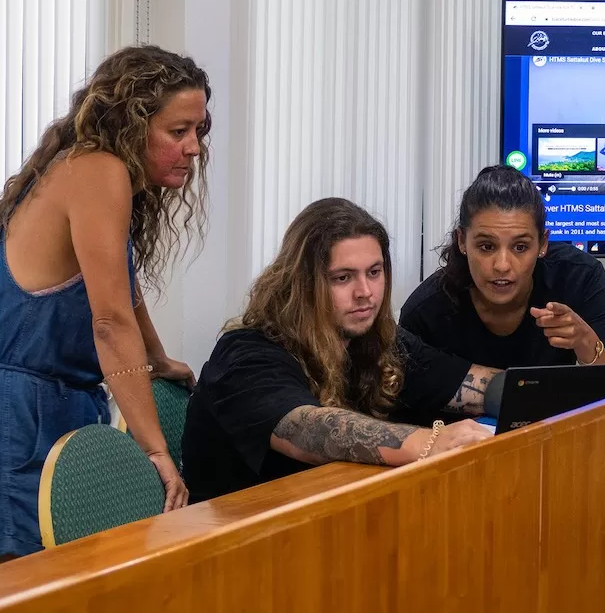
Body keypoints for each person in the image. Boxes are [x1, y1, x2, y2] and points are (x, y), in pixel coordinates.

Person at [0, 45, 211, 563]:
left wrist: (157, 358)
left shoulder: (87, 170)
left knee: (77, 603)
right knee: (33, 609)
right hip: (17, 414)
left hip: (57, 404)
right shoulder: (98, 169)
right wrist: (155, 451)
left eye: (199, 131)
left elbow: (121, 291)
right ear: (133, 124)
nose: (194, 148)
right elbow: (110, 321)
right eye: (177, 131)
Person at [181, 198, 498, 502]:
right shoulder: (247, 354)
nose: (365, 293)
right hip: (234, 539)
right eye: (343, 278)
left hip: (328, 527)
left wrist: (537, 392)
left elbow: (473, 385)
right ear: (304, 284)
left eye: (374, 272)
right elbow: (306, 430)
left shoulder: (379, 341)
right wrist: (430, 441)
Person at [399, 164, 605, 370]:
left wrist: (585, 341)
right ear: (461, 241)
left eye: (520, 247)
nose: (502, 265)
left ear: (542, 244)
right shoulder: (425, 312)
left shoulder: (579, 277)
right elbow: (403, 409)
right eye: (487, 246)